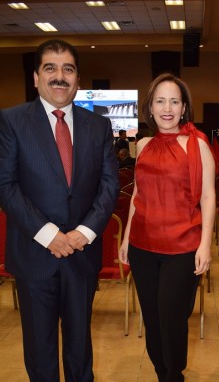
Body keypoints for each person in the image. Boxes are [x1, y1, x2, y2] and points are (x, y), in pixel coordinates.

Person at [0, 39, 119, 382]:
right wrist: (49, 235)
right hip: (34, 254)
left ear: (78, 79)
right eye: (50, 68)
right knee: (40, 350)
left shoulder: (98, 126)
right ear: (36, 77)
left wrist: (84, 233)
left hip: (82, 255)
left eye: (68, 69)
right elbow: (6, 186)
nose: (59, 77)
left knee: (80, 349)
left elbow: (110, 186)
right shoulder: (11, 121)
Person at [119, 73, 216, 382]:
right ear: (151, 106)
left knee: (170, 315)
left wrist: (205, 245)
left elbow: (209, 196)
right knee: (151, 316)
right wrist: (125, 238)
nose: (167, 108)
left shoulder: (198, 145)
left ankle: (174, 374)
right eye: (160, 101)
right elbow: (137, 194)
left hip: (182, 246)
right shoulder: (144, 144)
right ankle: (163, 373)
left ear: (184, 107)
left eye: (174, 101)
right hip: (142, 246)